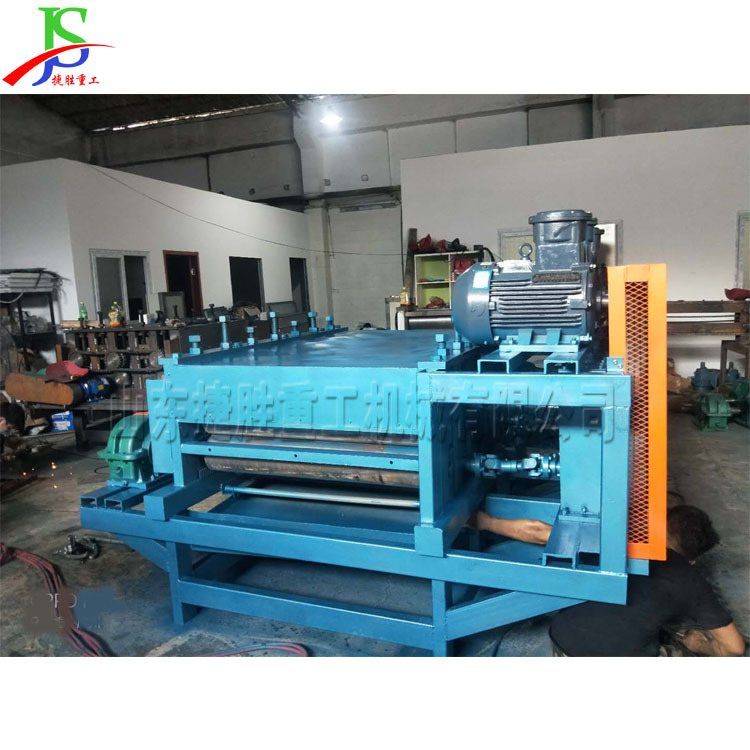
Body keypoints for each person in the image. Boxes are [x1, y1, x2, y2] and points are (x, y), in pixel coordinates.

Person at [475, 505, 746, 657]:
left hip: (562, 645)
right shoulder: (691, 579)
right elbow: (735, 648)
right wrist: (699, 644)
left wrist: (486, 522)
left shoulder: (618, 541)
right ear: (693, 559)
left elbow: (538, 532)